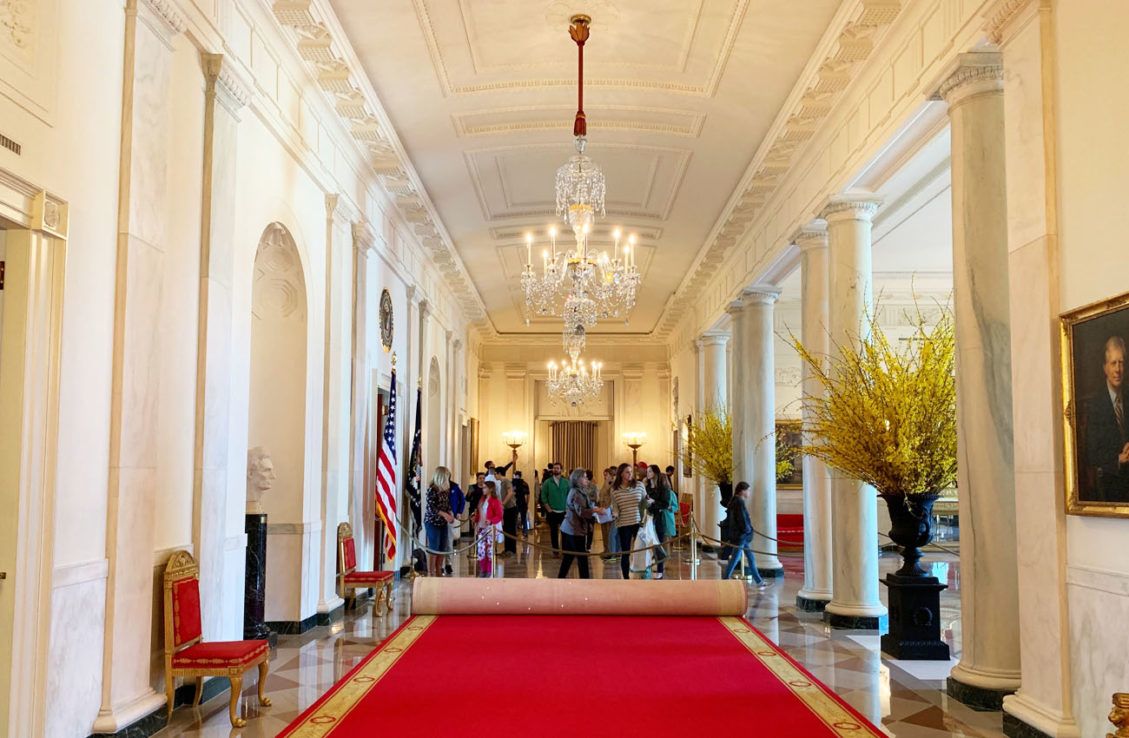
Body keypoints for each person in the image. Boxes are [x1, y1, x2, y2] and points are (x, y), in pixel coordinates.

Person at [1085, 336, 1129, 502]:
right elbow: (1091, 453)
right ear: (1105, 368)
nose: (1118, 369)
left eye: (1121, 362)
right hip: (1111, 483)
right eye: (1113, 363)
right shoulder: (1096, 405)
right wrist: (1118, 458)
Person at [559, 468, 604, 579]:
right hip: (574, 530)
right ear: (577, 479)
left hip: (571, 528)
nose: (587, 479)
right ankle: (586, 582)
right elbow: (581, 512)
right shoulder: (576, 493)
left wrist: (593, 508)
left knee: (568, 557)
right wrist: (594, 511)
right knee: (582, 557)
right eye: (584, 477)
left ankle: (560, 579)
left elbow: (585, 507)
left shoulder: (579, 491)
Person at [722, 482, 766, 586]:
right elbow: (742, 519)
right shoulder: (739, 502)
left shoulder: (734, 501)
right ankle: (725, 579)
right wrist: (748, 530)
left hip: (739, 535)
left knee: (750, 557)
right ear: (742, 491)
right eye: (748, 490)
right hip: (741, 536)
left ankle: (759, 581)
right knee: (735, 558)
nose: (749, 493)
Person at [610, 463, 646, 579]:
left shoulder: (639, 485)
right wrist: (614, 514)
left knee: (642, 550)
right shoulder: (614, 490)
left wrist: (651, 503)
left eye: (631, 471)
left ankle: (644, 573)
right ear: (621, 474)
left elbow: (645, 501)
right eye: (627, 472)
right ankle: (625, 577)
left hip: (638, 523)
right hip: (624, 523)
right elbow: (615, 507)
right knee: (625, 552)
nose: (630, 474)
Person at [645, 464, 677, 579]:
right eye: (647, 471)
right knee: (648, 543)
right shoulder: (647, 487)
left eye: (649, 471)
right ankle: (647, 567)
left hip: (659, 518)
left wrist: (653, 502)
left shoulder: (663, 489)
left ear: (655, 473)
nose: (647, 474)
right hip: (649, 517)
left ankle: (660, 569)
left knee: (659, 543)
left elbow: (665, 504)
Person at [424, 467, 456, 577]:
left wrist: (450, 513)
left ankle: (438, 569)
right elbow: (432, 508)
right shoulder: (432, 490)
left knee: (443, 546)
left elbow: (447, 504)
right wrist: (445, 514)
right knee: (434, 546)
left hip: (442, 523)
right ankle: (430, 571)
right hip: (432, 522)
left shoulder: (445, 490)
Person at [474, 480, 503, 577]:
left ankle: (489, 570)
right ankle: (483, 569)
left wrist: (491, 521)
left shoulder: (495, 501)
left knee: (489, 550)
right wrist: (476, 522)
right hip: (482, 527)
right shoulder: (482, 500)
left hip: (491, 529)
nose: (483, 489)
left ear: (490, 489)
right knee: (481, 550)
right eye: (483, 487)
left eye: (485, 487)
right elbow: (479, 513)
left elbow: (499, 515)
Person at [540, 462, 568, 557]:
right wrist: (548, 509)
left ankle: (565, 551)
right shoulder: (547, 482)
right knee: (553, 532)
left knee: (565, 532)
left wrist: (568, 509)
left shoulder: (566, 482)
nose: (556, 470)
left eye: (558, 468)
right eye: (554, 468)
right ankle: (555, 551)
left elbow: (570, 496)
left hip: (564, 512)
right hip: (552, 512)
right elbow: (543, 496)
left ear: (561, 470)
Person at [495, 465, 518, 556]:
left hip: (511, 509)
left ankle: (511, 550)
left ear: (499, 473)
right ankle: (507, 549)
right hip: (506, 509)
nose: (495, 476)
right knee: (506, 529)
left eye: (496, 474)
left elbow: (510, 493)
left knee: (511, 529)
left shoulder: (506, 481)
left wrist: (503, 504)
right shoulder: (501, 483)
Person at [597, 467, 618, 559]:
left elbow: (609, 494)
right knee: (604, 531)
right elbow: (601, 495)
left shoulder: (613, 485)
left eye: (607, 475)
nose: (605, 477)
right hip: (603, 511)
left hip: (609, 511)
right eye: (604, 475)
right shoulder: (605, 484)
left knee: (610, 532)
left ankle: (610, 551)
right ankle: (606, 549)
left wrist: (607, 482)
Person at [512, 470, 531, 536]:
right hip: (523, 502)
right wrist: (527, 503)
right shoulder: (525, 483)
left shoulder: (512, 483)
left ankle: (514, 532)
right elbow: (528, 495)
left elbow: (511, 493)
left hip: (515, 503)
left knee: (514, 518)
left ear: (515, 475)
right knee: (524, 518)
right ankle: (525, 532)